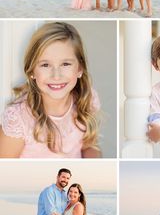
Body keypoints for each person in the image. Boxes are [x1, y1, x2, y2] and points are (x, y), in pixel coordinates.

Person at [0, 22, 101, 158]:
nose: (56, 75)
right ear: (32, 71)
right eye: (45, 65)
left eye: (65, 64)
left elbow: (89, 146)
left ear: (80, 69)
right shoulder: (18, 119)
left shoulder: (86, 99)